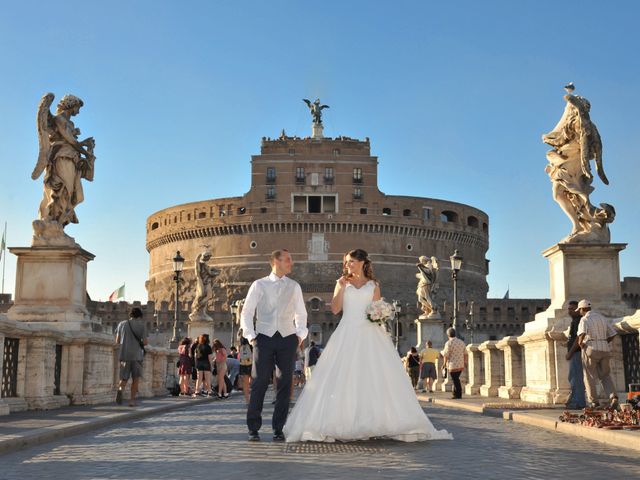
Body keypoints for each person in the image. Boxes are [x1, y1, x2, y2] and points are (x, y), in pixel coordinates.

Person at [283, 249, 452, 443]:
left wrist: (380, 314)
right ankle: (343, 422)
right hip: (347, 331)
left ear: (363, 263)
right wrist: (339, 287)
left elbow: (375, 309)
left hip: (370, 334)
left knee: (372, 377)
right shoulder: (343, 283)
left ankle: (373, 421)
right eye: (347, 262)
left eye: (352, 262)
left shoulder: (373, 285)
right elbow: (336, 309)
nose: (348, 265)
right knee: (344, 376)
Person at [240, 249, 308, 442]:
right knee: (260, 381)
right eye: (288, 259)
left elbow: (301, 314)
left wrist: (299, 334)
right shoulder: (259, 284)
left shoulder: (294, 286)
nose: (291, 263)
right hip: (264, 337)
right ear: (275, 262)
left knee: (285, 383)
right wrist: (251, 336)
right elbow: (246, 312)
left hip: (287, 338)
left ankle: (279, 428)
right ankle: (253, 427)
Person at [576, 299, 617, 407]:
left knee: (589, 376)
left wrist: (581, 344)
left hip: (591, 348)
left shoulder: (584, 319)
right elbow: (613, 333)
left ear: (582, 309)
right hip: (604, 349)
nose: (579, 312)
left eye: (579, 310)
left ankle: (594, 401)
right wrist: (604, 342)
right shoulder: (602, 318)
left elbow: (582, 334)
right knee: (605, 375)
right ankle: (613, 397)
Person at [115, 307, 148, 407]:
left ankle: (120, 390)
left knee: (123, 378)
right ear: (140, 316)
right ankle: (132, 401)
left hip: (124, 355)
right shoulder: (142, 325)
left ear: (130, 315)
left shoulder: (122, 324)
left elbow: (117, 340)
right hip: (137, 357)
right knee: (135, 379)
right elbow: (145, 342)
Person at [565, 301, 587, 409]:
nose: (570, 311)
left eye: (572, 309)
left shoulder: (578, 321)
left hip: (576, 353)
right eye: (569, 309)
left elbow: (578, 338)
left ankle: (579, 402)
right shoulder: (575, 321)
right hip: (575, 352)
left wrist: (570, 352)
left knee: (576, 377)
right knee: (573, 377)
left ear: (578, 310)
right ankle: (576, 400)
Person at [442, 328, 467, 400]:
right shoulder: (461, 342)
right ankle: (456, 393)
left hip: (452, 365)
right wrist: (465, 362)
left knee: (455, 379)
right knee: (456, 379)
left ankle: (458, 394)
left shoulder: (448, 343)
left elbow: (446, 355)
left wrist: (444, 364)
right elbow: (465, 353)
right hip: (460, 364)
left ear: (448, 335)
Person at [238, 337, 253, 403]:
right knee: (253, 380)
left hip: (243, 364)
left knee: (245, 382)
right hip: (251, 363)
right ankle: (253, 398)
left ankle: (247, 400)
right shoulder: (251, 344)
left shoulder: (240, 346)